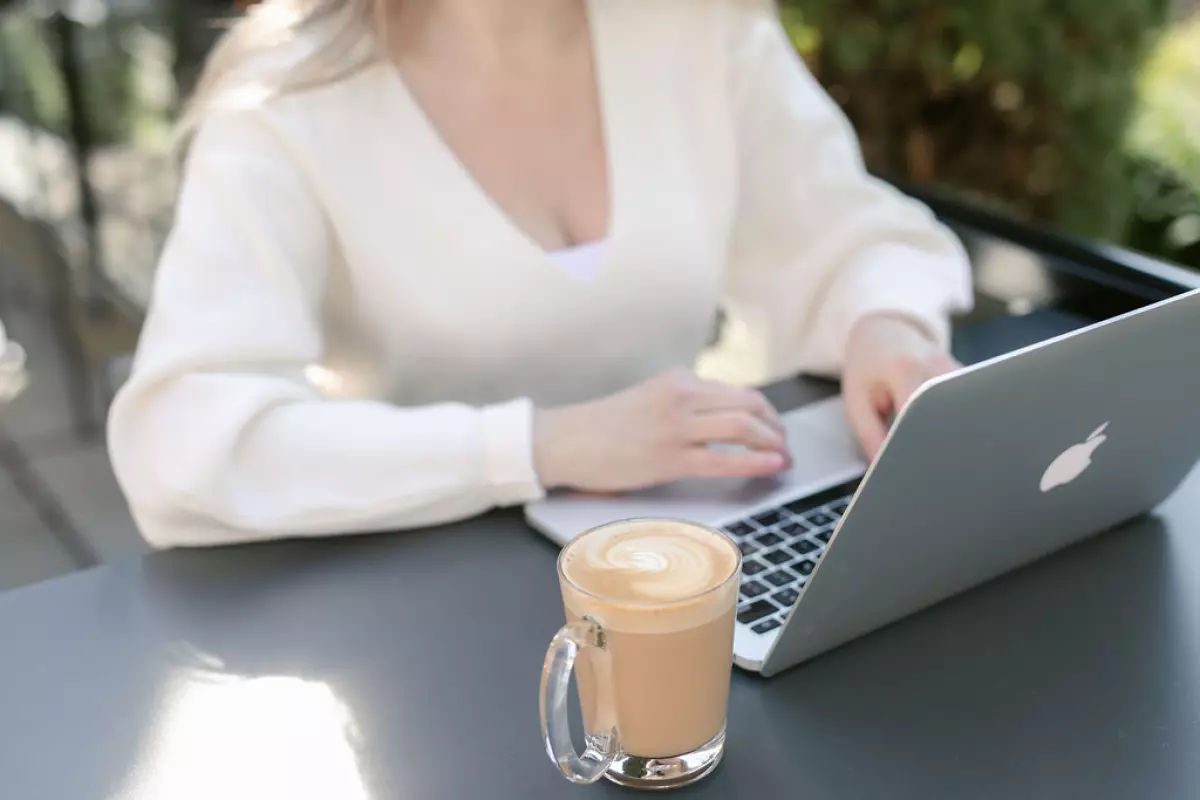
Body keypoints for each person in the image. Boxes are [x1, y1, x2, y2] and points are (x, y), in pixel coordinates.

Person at [108, 0, 973, 548]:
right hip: (418, 583)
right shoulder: (284, 106)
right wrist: (542, 447)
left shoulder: (701, 26)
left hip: (686, 560)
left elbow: (846, 233)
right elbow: (184, 441)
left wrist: (884, 325)